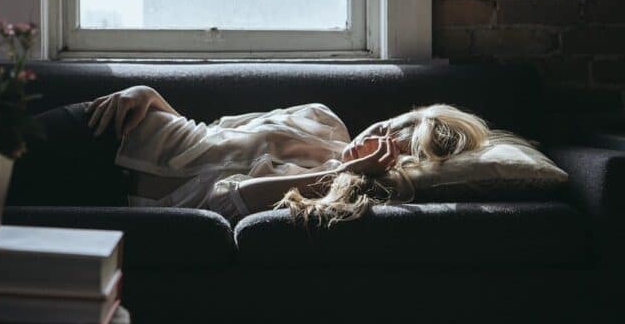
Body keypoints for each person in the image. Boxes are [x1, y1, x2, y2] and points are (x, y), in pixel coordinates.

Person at [82, 85, 492, 226]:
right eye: (382, 129)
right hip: (118, 127)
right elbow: (215, 130)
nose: (371, 141)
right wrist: (149, 96)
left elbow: (227, 198)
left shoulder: (340, 190)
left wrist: (347, 172)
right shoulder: (321, 118)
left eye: (387, 149)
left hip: (110, 198)